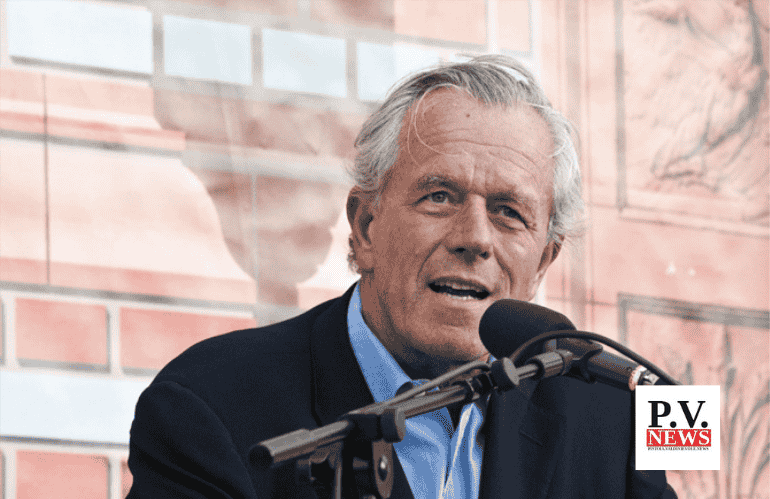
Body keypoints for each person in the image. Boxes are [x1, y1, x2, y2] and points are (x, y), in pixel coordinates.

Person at [127, 55, 676, 498]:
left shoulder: (613, 422)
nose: (475, 238)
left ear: (543, 263)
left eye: (509, 212)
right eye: (439, 197)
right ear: (366, 226)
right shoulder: (210, 407)